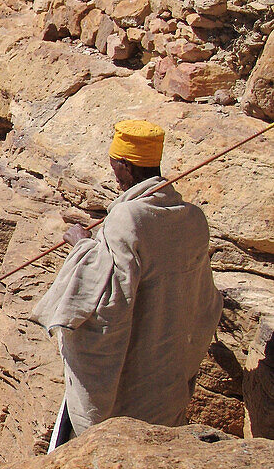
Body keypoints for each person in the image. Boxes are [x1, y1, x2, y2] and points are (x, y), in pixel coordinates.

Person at [33, 120, 223, 450]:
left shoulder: (128, 218)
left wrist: (81, 244)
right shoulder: (193, 219)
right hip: (165, 377)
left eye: (115, 166)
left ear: (125, 164)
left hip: (128, 386)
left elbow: (106, 304)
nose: (114, 175)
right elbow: (203, 300)